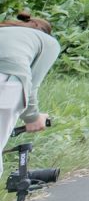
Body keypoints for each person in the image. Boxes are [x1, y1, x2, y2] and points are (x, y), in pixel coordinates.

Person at [0, 11, 61, 139]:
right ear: (45, 31)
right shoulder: (49, 42)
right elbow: (30, 86)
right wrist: (33, 118)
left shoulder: (4, 30)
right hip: (6, 83)